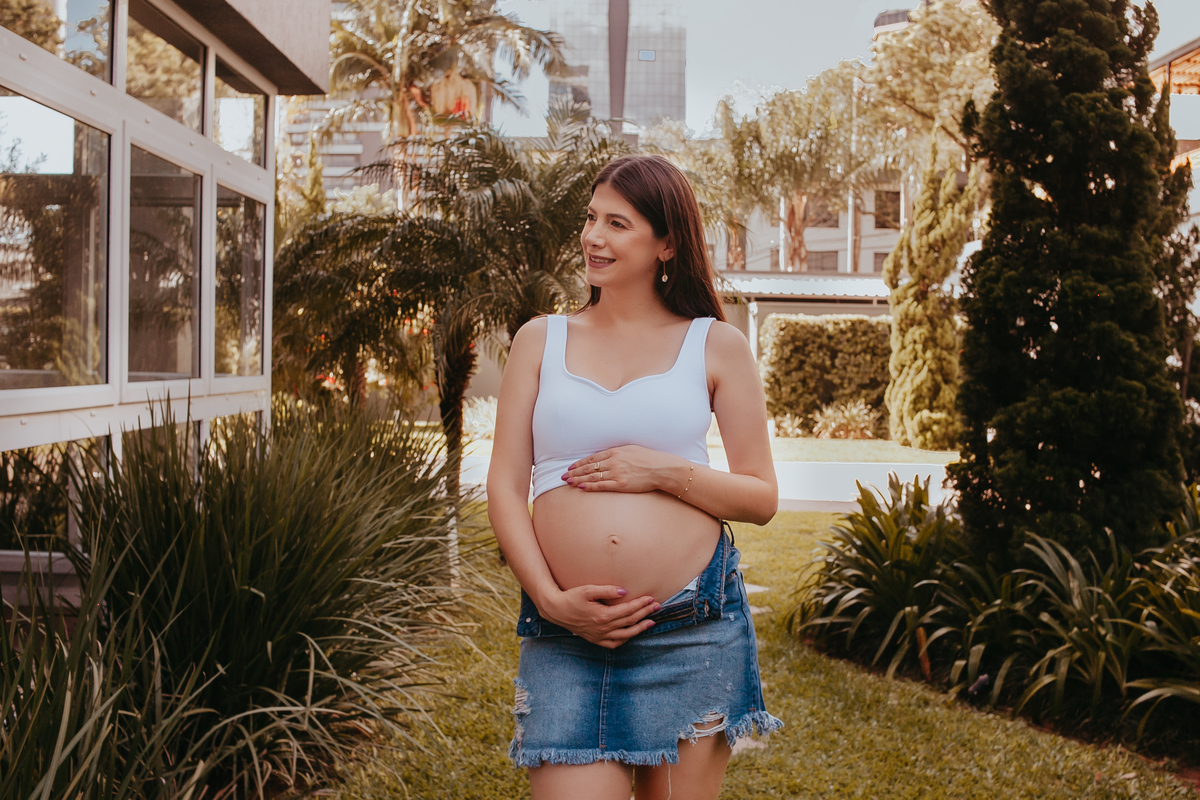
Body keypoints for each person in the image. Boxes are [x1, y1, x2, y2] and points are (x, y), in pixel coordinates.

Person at [487, 154, 781, 800]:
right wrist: (550, 600)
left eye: (617, 224)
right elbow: (505, 488)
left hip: (691, 630)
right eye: (591, 219)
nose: (594, 237)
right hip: (567, 637)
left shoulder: (714, 346)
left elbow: (761, 496)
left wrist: (661, 471)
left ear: (666, 242)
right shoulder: (540, 340)